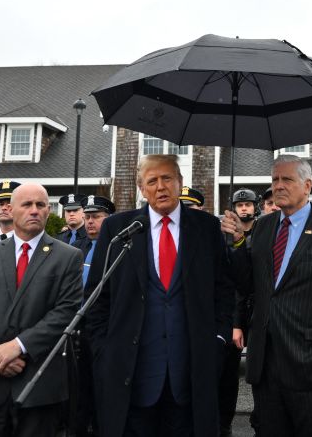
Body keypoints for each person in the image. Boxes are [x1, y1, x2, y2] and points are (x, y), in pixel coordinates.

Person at [87, 154, 232, 437]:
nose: (160, 186)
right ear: (142, 189)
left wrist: (218, 339)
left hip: (190, 373)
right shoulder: (119, 229)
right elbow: (97, 295)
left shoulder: (206, 228)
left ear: (180, 182)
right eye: (152, 181)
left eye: (167, 178)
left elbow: (223, 290)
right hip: (132, 373)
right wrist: (104, 350)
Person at [221, 155, 312, 437]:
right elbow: (248, 284)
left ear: (307, 185)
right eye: (275, 180)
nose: (278, 185)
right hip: (266, 366)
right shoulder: (263, 227)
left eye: (286, 179)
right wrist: (238, 242)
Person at [0, 183, 84, 435]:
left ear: (49, 211)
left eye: (40, 205)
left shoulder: (68, 257)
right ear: (11, 210)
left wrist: (19, 346)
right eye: (27, 205)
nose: (34, 210)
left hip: (38, 385)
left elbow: (65, 313)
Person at [71, 194, 114, 437]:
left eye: (96, 217)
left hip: (103, 329)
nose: (89, 222)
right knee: (79, 389)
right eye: (87, 217)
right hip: (76, 328)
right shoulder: (76, 248)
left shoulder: (115, 248)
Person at [220, 188, 259, 437]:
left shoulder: (264, 233)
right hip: (233, 312)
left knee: (259, 373)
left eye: (248, 204)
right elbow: (230, 283)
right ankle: (224, 425)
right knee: (226, 373)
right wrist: (235, 322)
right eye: (239, 205)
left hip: (258, 311)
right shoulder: (223, 236)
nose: (244, 208)